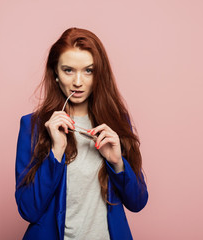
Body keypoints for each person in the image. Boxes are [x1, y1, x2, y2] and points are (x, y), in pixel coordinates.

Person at [15, 27, 148, 240]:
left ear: (99, 74)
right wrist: (56, 151)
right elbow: (28, 209)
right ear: (55, 74)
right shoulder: (34, 125)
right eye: (68, 70)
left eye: (88, 70)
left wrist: (117, 162)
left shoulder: (116, 122)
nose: (78, 81)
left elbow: (138, 201)